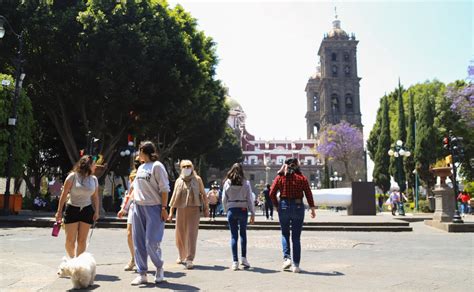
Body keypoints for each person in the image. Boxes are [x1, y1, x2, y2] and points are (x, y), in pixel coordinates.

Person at [130, 141, 170, 285]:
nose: (137, 154)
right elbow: (135, 189)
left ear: (144, 151)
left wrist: (164, 208)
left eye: (139, 151)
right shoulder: (140, 167)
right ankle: (142, 273)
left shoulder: (157, 166)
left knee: (151, 242)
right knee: (138, 242)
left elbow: (164, 189)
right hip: (138, 207)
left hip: (154, 207)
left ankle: (159, 267)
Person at [269, 158, 316, 273]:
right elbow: (308, 193)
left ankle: (287, 258)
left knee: (285, 234)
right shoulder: (302, 178)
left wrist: (276, 205)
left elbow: (271, 193)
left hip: (284, 206)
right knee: (296, 237)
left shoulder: (280, 178)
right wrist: (312, 208)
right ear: (297, 165)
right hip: (298, 206)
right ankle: (296, 265)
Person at [55, 155, 100, 258]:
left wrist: (97, 211)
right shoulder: (72, 176)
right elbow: (64, 194)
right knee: (69, 241)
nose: (95, 167)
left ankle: (79, 264)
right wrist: (59, 211)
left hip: (87, 209)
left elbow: (95, 197)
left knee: (82, 240)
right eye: (94, 165)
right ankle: (72, 260)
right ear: (88, 165)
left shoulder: (94, 179)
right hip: (72, 208)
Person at [167, 160, 209, 270]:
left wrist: (206, 208)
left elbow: (204, 195)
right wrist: (171, 212)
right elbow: (174, 197)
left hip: (194, 209)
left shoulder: (198, 179)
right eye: (184, 166)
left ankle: (190, 258)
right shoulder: (178, 181)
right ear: (181, 168)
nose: (186, 168)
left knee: (191, 234)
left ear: (192, 167)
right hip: (180, 209)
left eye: (188, 166)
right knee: (180, 233)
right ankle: (181, 255)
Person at [222, 163, 255, 271]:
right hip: (243, 209)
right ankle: (244, 258)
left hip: (231, 208)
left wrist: (226, 210)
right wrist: (252, 213)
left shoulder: (227, 182)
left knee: (233, 236)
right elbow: (250, 198)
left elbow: (223, 199)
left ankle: (235, 261)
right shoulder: (246, 183)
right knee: (243, 234)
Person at [117, 157, 142, 271]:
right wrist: (124, 208)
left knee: (142, 236)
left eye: (139, 161)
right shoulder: (132, 176)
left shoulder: (151, 172)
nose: (137, 163)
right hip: (133, 207)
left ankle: (141, 259)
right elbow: (129, 193)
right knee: (129, 233)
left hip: (145, 207)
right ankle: (133, 258)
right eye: (136, 161)